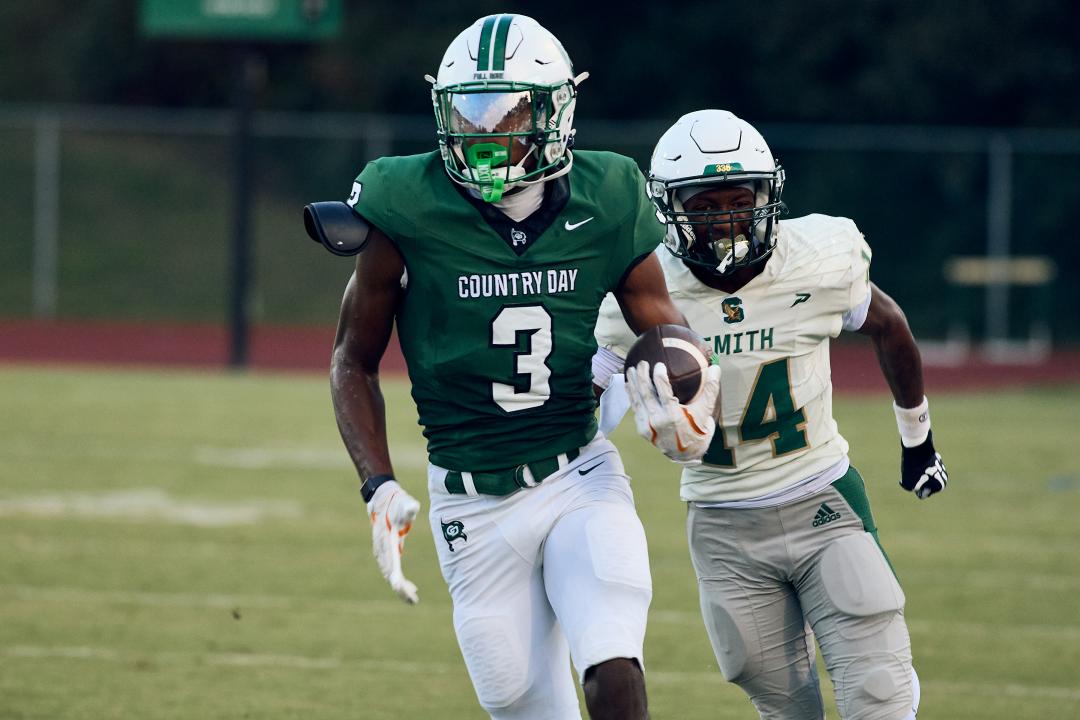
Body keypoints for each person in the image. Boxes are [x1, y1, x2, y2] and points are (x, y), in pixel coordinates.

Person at [326, 15, 719, 720]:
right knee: (519, 701)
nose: (482, 134)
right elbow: (353, 358)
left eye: (504, 115)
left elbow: (662, 320)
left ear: (554, 114)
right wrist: (377, 484)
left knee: (612, 664)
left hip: (577, 474)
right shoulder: (405, 202)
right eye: (467, 114)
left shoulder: (609, 194)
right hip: (469, 502)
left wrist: (688, 383)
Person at [592, 109, 949, 719]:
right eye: (706, 205)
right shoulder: (638, 291)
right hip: (722, 523)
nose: (728, 219)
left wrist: (918, 440)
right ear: (671, 209)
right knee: (781, 702)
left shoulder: (818, 259)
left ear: (769, 196)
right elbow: (585, 404)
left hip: (821, 499)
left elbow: (889, 326)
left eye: (742, 199)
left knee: (878, 691)